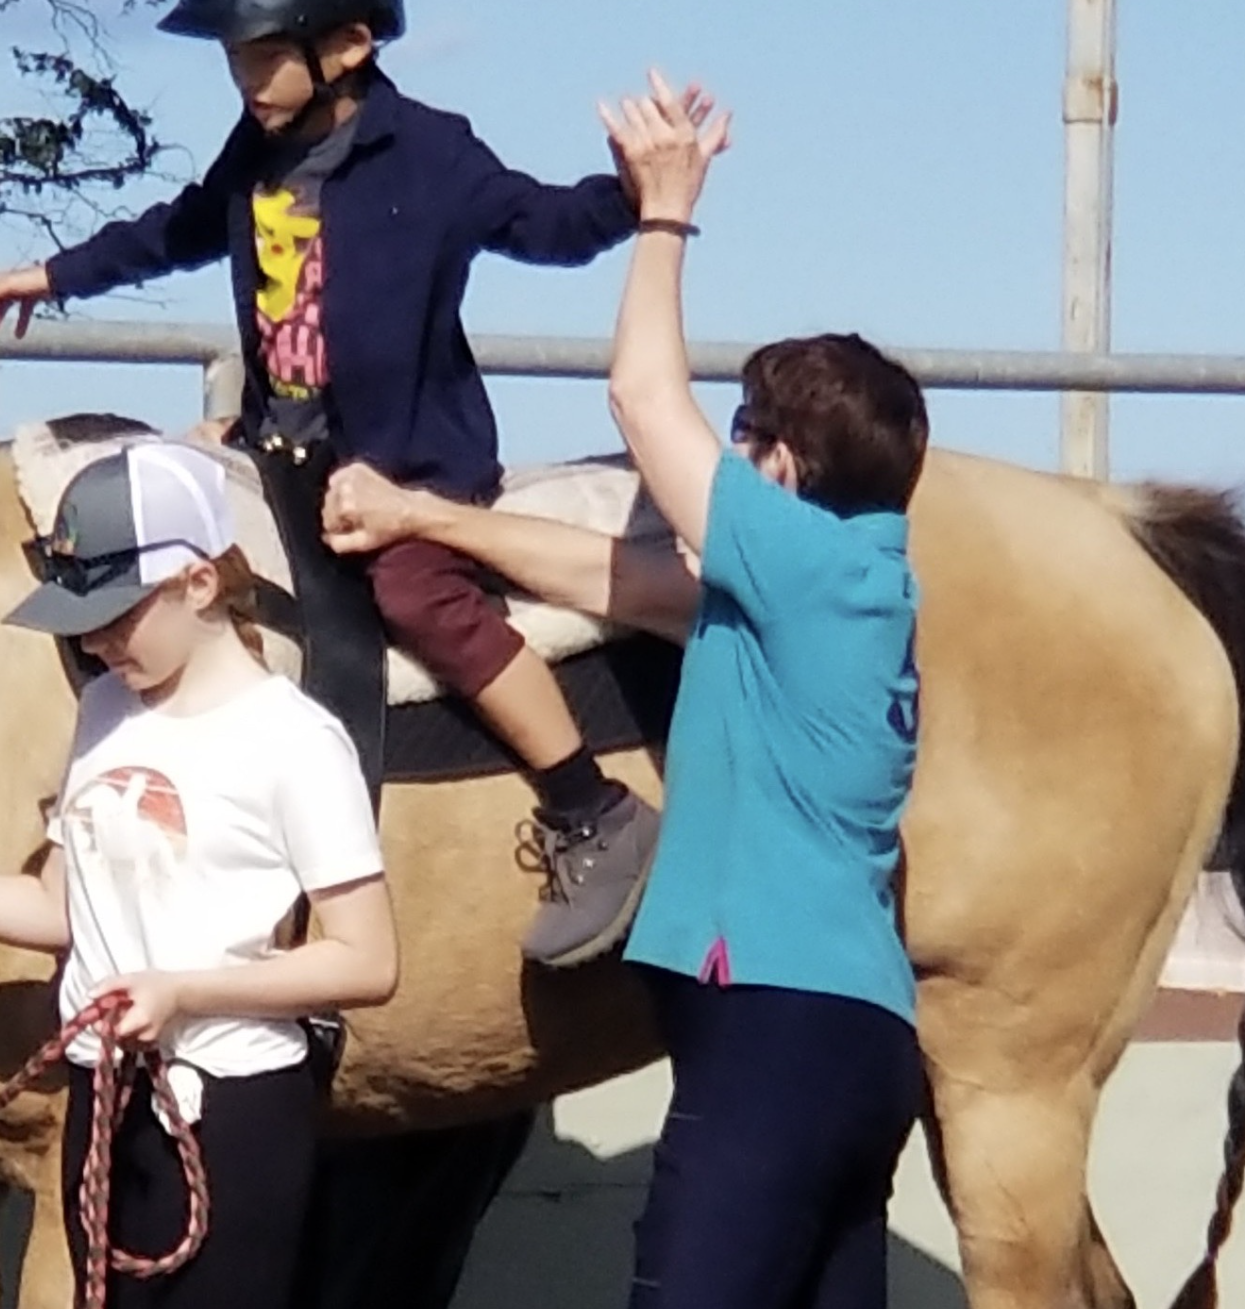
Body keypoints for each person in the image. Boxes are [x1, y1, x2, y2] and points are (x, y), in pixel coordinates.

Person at [0, 0, 660, 968]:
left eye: (261, 52)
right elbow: (179, 230)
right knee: (144, 563)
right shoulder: (254, 150)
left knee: (414, 593)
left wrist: (629, 194)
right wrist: (54, 273)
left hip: (409, 472)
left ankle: (591, 804)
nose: (243, 76)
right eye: (234, 54)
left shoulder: (431, 157)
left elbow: (545, 224)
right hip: (280, 455)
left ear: (348, 43)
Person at [324, 70, 928, 1309]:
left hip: (768, 1031)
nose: (735, 446)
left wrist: (663, 215)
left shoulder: (803, 558)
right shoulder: (837, 589)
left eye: (750, 430)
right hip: (856, 1039)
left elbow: (643, 400)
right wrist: (425, 514)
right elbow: (618, 576)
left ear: (783, 464)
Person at [0, 440, 398, 1309]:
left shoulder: (295, 741)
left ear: (200, 583)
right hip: (105, 1102)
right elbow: (57, 906)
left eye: (119, 613)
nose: (97, 641)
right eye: (84, 619)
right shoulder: (105, 711)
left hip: (231, 1109)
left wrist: (183, 993)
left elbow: (367, 961)